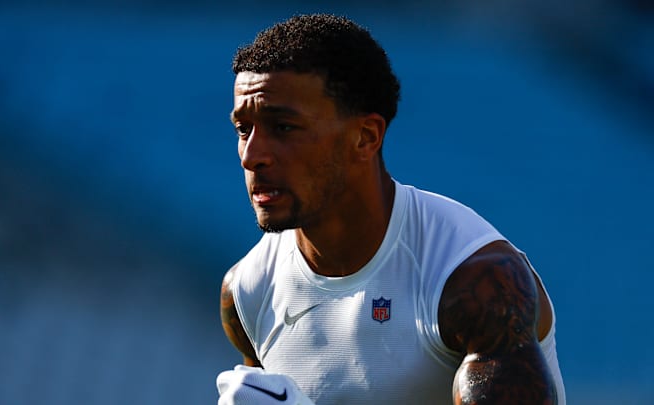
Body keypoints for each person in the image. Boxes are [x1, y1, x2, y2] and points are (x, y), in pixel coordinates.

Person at [216, 13, 565, 405]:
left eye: (283, 127)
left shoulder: (473, 279)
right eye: (243, 129)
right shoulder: (248, 290)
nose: (252, 155)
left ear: (365, 138)